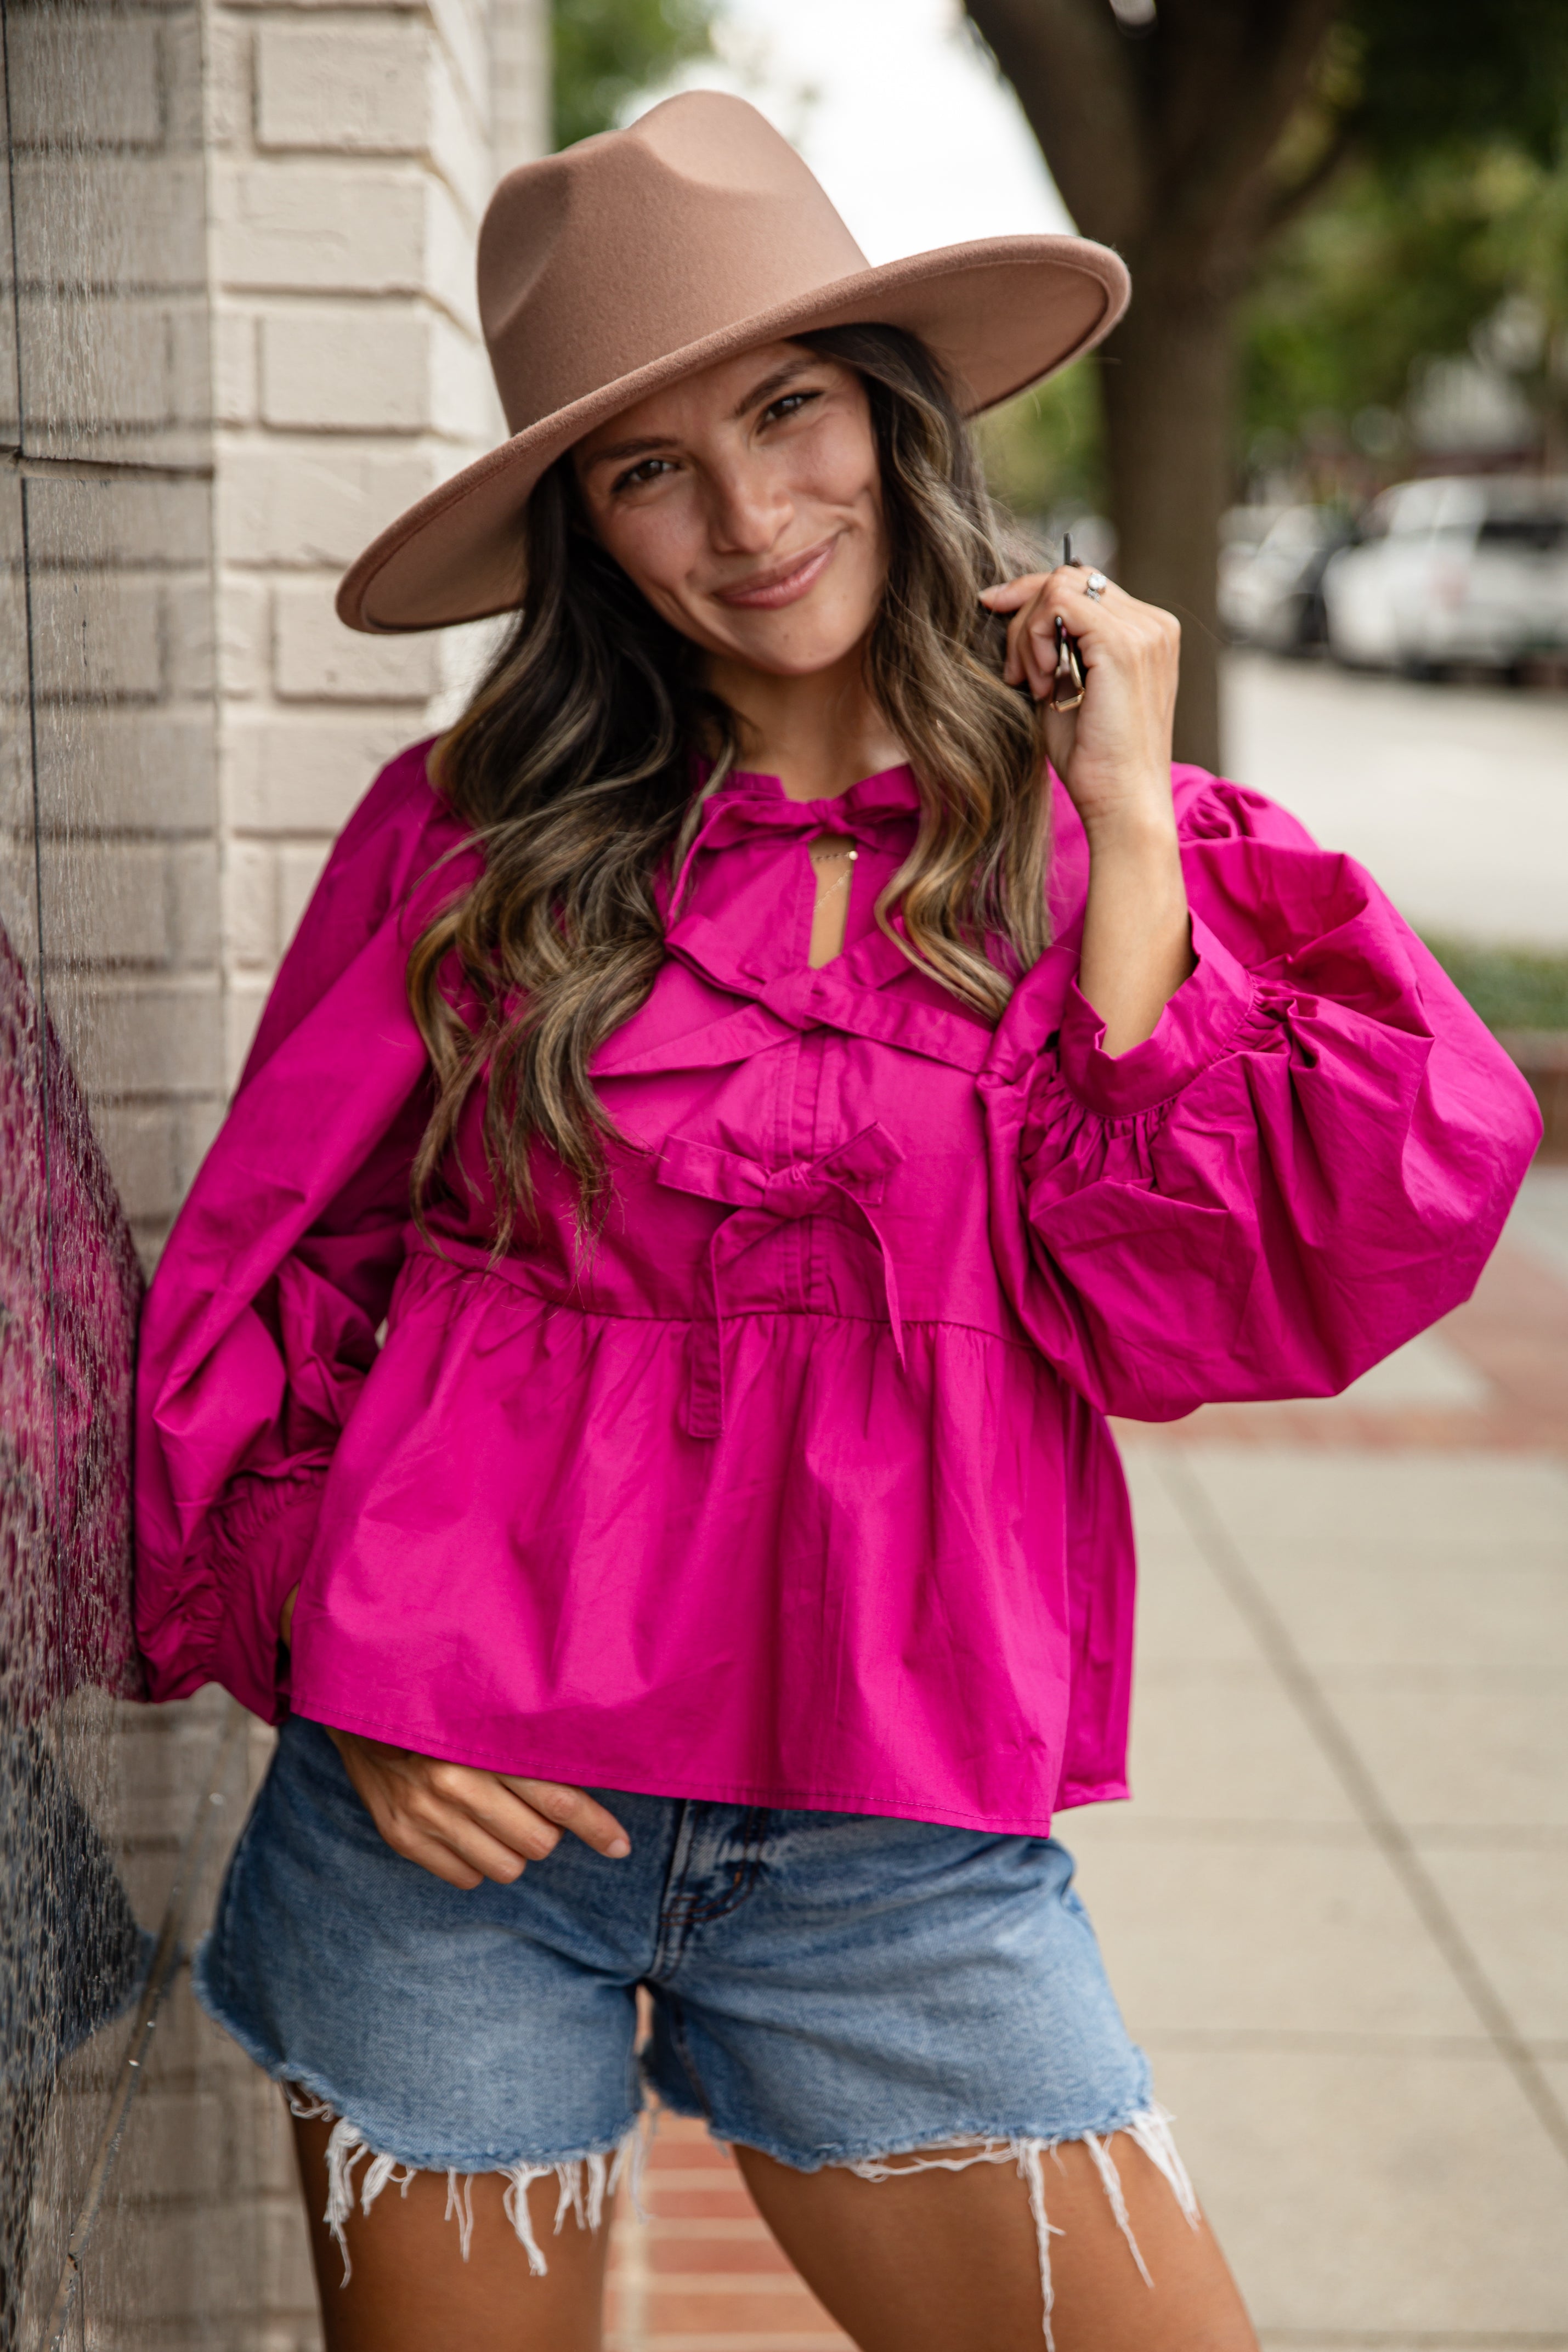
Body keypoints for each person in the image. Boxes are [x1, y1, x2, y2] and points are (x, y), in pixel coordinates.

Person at [134, 93, 1539, 2352]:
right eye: (648, 467)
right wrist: (337, 1652)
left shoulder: (1113, 841)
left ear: (889, 421)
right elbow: (277, 1265)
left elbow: (1189, 1307)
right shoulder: (472, 839)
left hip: (893, 1859)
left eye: (787, 414)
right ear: (588, 529)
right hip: (460, 1828)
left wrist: (1128, 832)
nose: (745, 515)